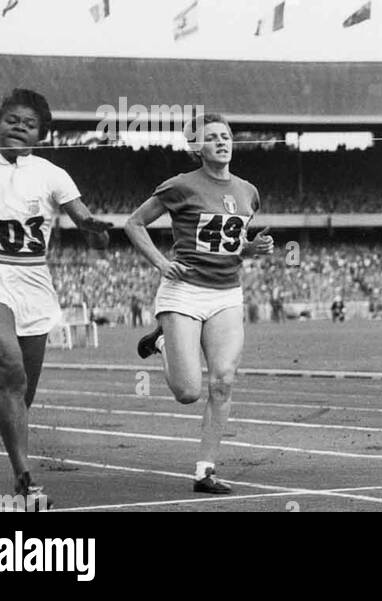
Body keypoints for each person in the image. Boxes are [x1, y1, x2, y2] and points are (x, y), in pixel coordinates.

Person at [0, 88, 112, 509]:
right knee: (11, 371)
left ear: (41, 134)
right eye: (12, 119)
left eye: (30, 123)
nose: (19, 126)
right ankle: (25, 480)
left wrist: (96, 232)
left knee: (20, 393)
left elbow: (87, 223)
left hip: (34, 283)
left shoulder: (53, 174)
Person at [124, 113, 275, 493]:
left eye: (226, 136)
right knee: (188, 392)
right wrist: (161, 263)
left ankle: (204, 470)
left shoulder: (248, 191)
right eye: (212, 137)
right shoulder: (180, 186)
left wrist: (251, 248)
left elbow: (226, 240)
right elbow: (134, 223)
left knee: (223, 381)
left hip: (227, 292)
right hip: (185, 292)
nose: (222, 142)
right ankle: (161, 341)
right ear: (197, 147)